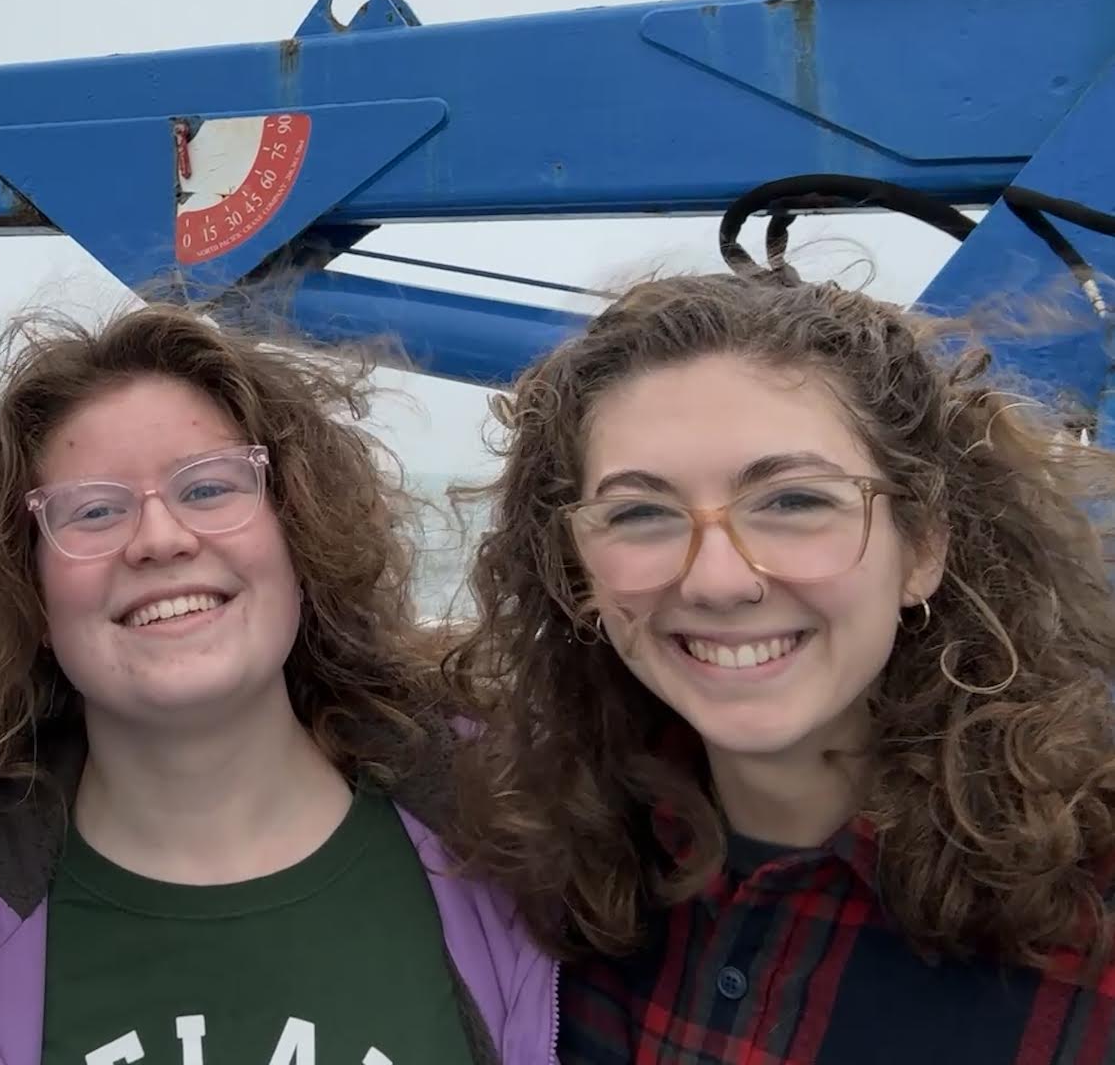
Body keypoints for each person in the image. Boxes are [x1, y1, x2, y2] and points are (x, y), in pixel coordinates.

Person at [445, 268, 1115, 1063]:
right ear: (575, 572)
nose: (717, 581)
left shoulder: (1089, 926)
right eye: (640, 514)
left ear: (923, 547)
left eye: (794, 501)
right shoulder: (545, 877)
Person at [0, 304, 558, 1065]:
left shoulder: (522, 836)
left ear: (298, 537)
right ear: (30, 596)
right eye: (93, 510)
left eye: (207, 489)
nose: (161, 539)